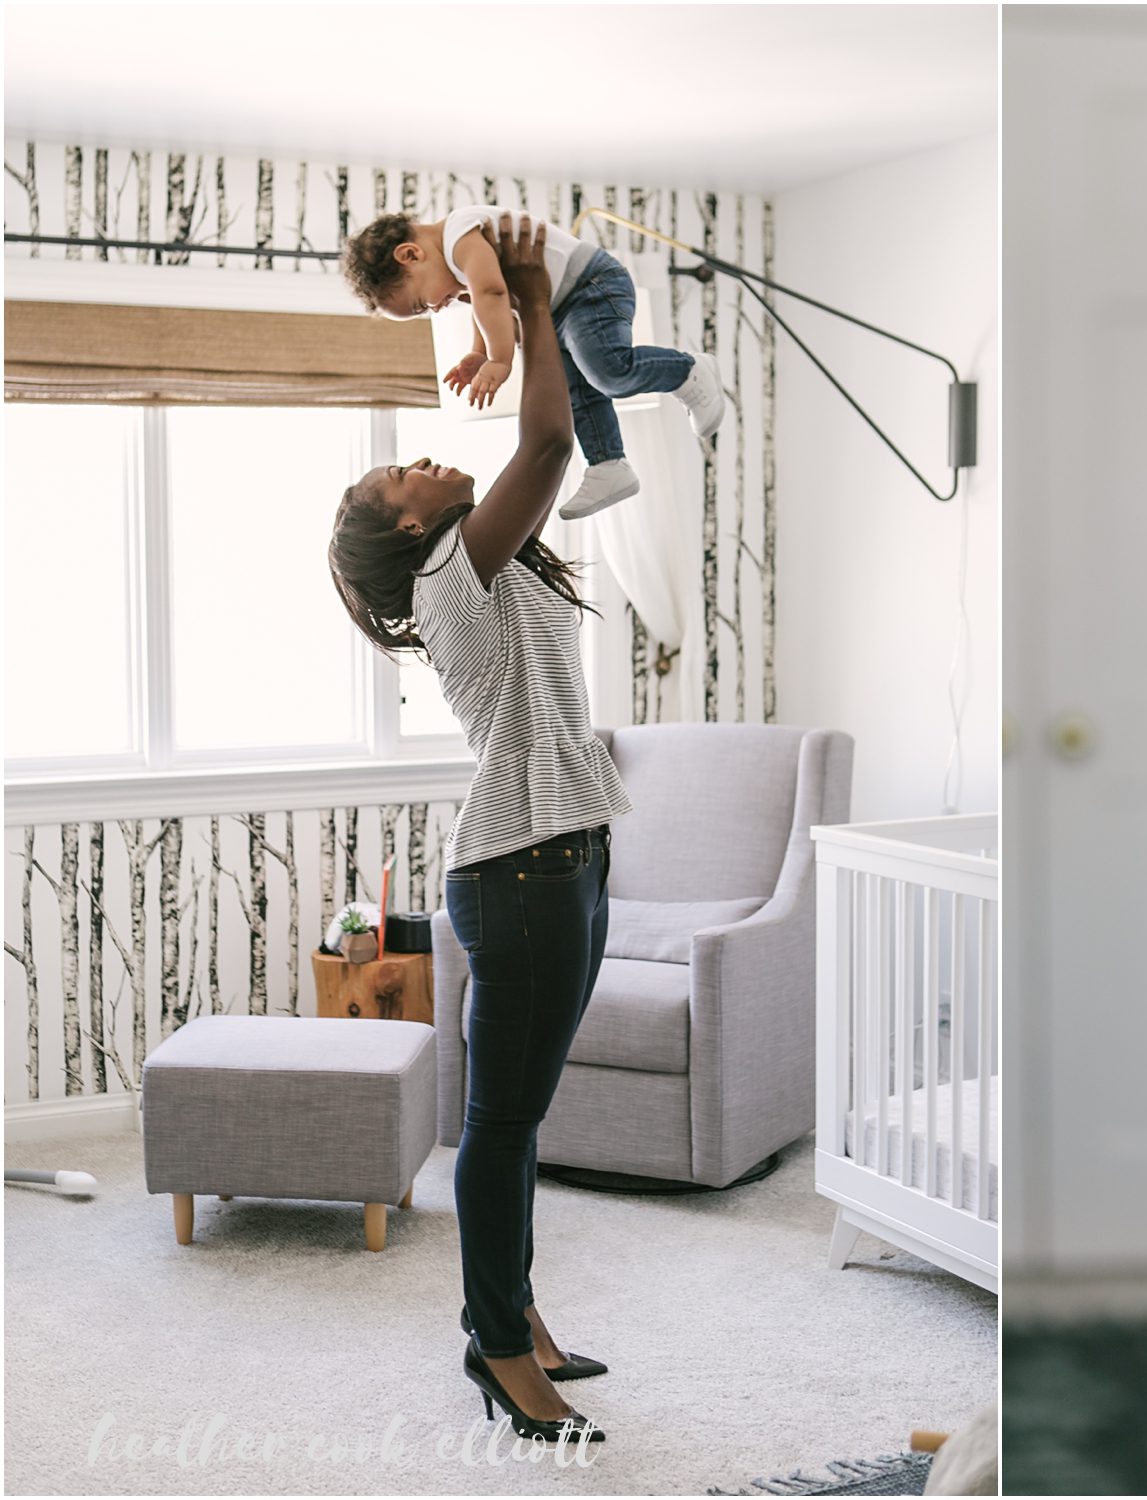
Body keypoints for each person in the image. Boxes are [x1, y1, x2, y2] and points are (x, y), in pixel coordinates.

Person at [329, 213, 630, 1448]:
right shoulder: (455, 568)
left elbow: (553, 446)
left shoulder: (489, 561)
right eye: (402, 474)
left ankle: (514, 1309)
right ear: (407, 529)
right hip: (517, 875)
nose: (424, 464)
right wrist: (531, 302)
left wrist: (509, 321)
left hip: (573, 856)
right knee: (504, 1125)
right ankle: (496, 1347)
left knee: (522, 1115)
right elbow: (553, 439)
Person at [341, 202, 725, 521]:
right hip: (561, 306)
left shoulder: (459, 235)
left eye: (423, 304)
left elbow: (492, 293)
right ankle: (608, 464)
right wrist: (478, 353)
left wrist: (499, 361)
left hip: (589, 284)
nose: (436, 309)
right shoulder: (456, 263)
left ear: (411, 254)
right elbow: (483, 304)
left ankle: (688, 371)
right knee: (576, 389)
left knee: (607, 371)